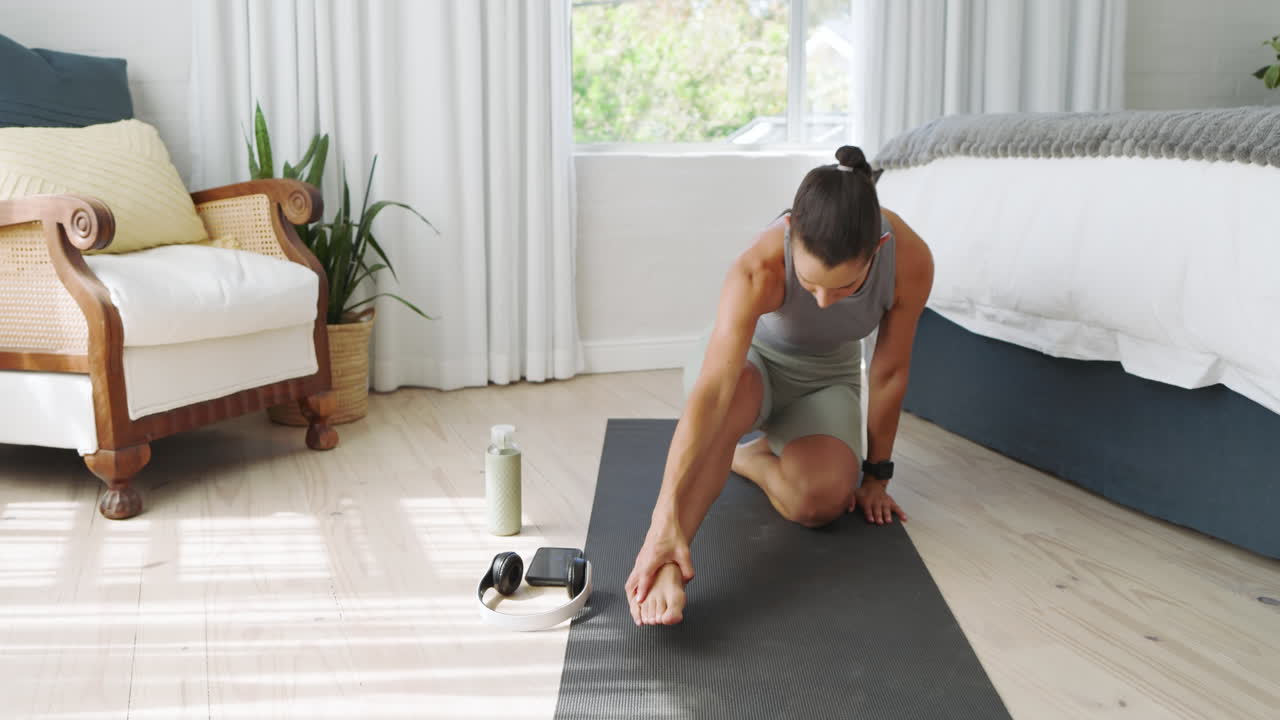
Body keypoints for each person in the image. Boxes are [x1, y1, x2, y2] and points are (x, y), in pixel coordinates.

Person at [625, 145, 935, 627]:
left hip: (825, 380)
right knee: (727, 412)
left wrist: (876, 478)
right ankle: (668, 562)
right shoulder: (758, 265)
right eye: (810, 285)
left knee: (821, 503)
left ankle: (742, 458)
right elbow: (713, 392)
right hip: (752, 364)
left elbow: (889, 371)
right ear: (792, 234)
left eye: (843, 289)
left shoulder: (910, 260)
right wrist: (660, 522)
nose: (824, 303)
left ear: (877, 249)